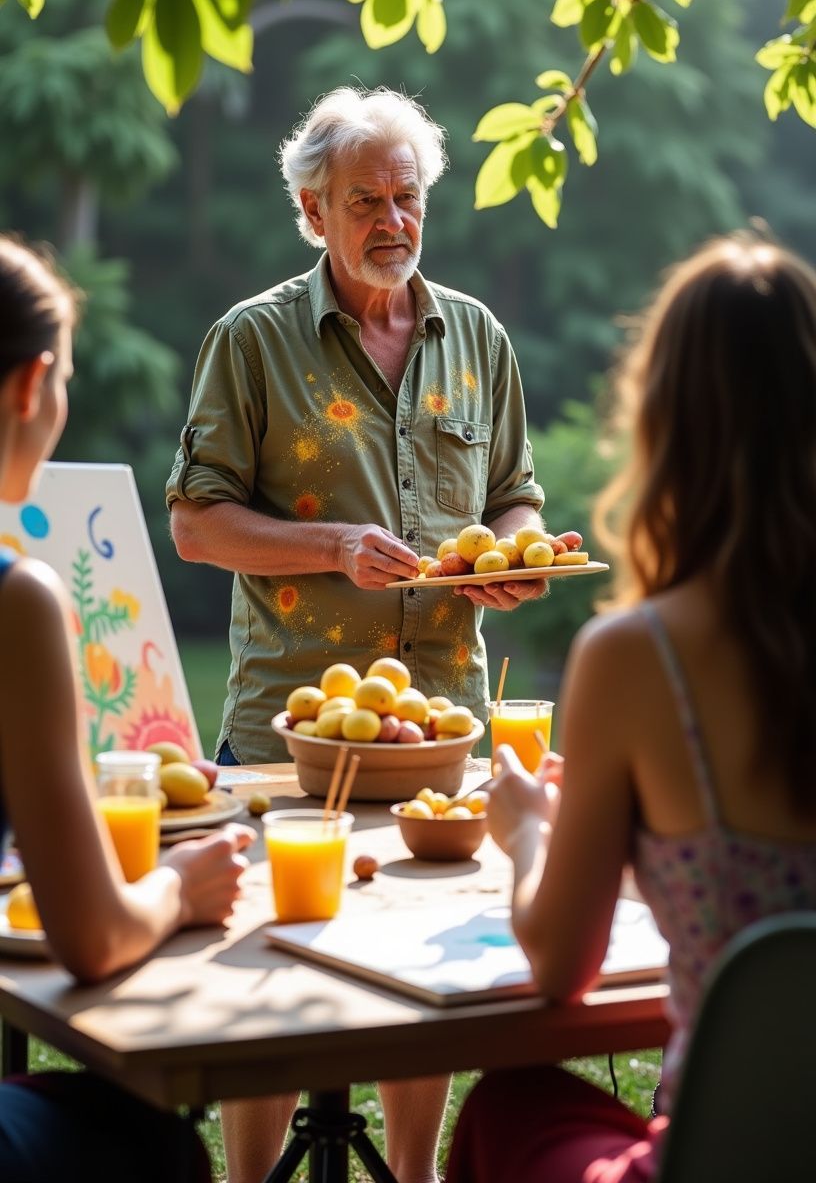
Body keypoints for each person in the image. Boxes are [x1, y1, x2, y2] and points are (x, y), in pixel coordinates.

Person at [165, 85, 548, 1183]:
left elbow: (516, 497)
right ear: (312, 210)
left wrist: (508, 557)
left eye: (407, 195)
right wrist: (332, 545)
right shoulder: (251, 339)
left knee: (421, 981)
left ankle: (412, 1176)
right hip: (290, 738)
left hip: (442, 733)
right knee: (276, 982)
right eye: (365, 200)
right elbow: (194, 523)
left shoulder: (477, 335)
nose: (392, 219)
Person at [445, 231, 816, 1183]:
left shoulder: (638, 657)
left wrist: (531, 829)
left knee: (508, 1107)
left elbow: (560, 967)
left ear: (663, 422)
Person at [0, 234, 255, 1183]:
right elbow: (96, 938)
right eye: (64, 380)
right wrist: (182, 884)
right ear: (31, 385)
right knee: (154, 1143)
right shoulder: (17, 601)